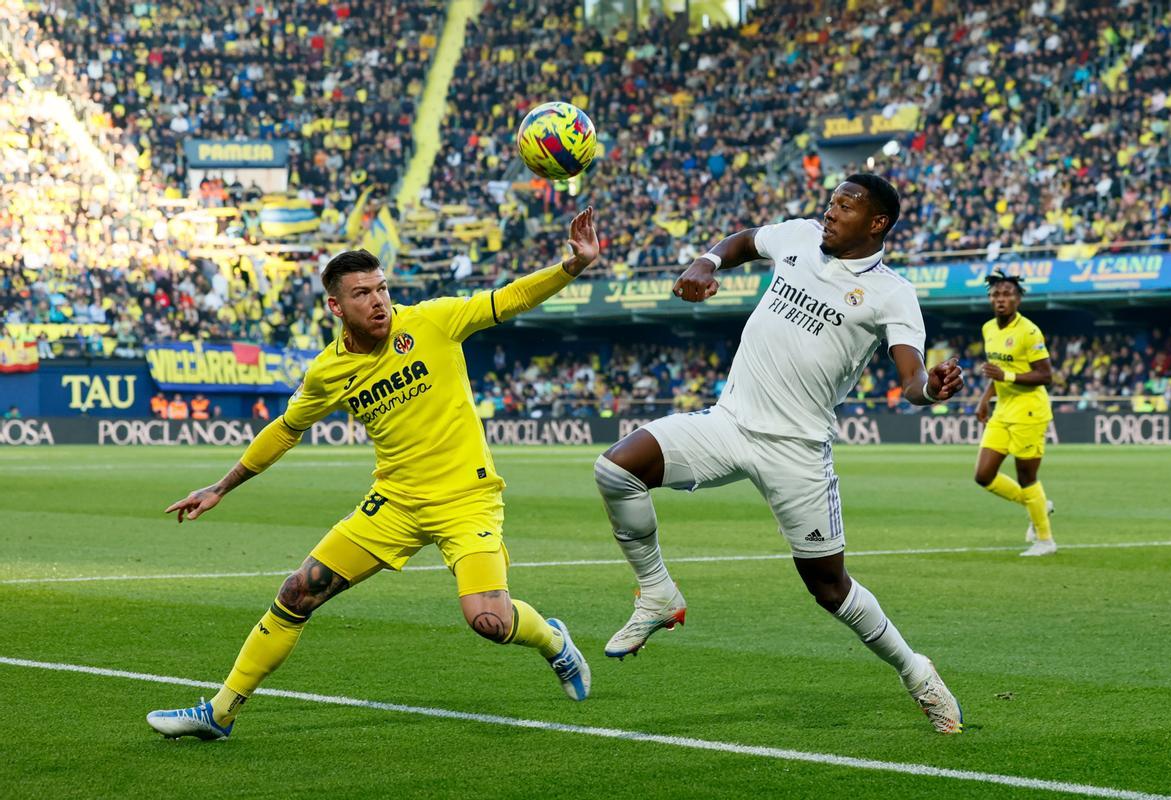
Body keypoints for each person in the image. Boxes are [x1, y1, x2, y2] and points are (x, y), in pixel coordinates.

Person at [146, 208, 600, 740]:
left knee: (489, 622)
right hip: (395, 504)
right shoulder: (328, 371)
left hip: (465, 500)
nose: (378, 300)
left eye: (382, 288)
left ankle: (553, 643)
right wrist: (221, 486)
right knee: (297, 593)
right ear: (337, 306)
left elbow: (509, 299)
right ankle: (219, 713)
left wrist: (572, 266)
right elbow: (286, 429)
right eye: (362, 293)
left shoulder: (432, 320)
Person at [593, 175, 967, 734]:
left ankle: (917, 674)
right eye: (832, 201)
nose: (831, 212)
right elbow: (745, 240)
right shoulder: (798, 235)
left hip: (797, 451)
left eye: (846, 206)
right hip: (729, 423)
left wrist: (931, 391)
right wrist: (707, 262)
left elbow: (911, 375)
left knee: (829, 589)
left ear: (877, 223)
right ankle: (657, 593)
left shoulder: (893, 292)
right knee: (616, 469)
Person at [972, 271, 1056, 556]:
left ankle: (1045, 540)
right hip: (1003, 410)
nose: (1001, 299)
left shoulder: (1029, 331)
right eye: (996, 294)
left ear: (1018, 299)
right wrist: (985, 399)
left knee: (1026, 477)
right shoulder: (988, 329)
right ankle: (1038, 504)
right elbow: (996, 373)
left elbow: (1046, 375)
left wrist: (1005, 375)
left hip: (1030, 411)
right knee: (983, 475)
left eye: (1007, 294)